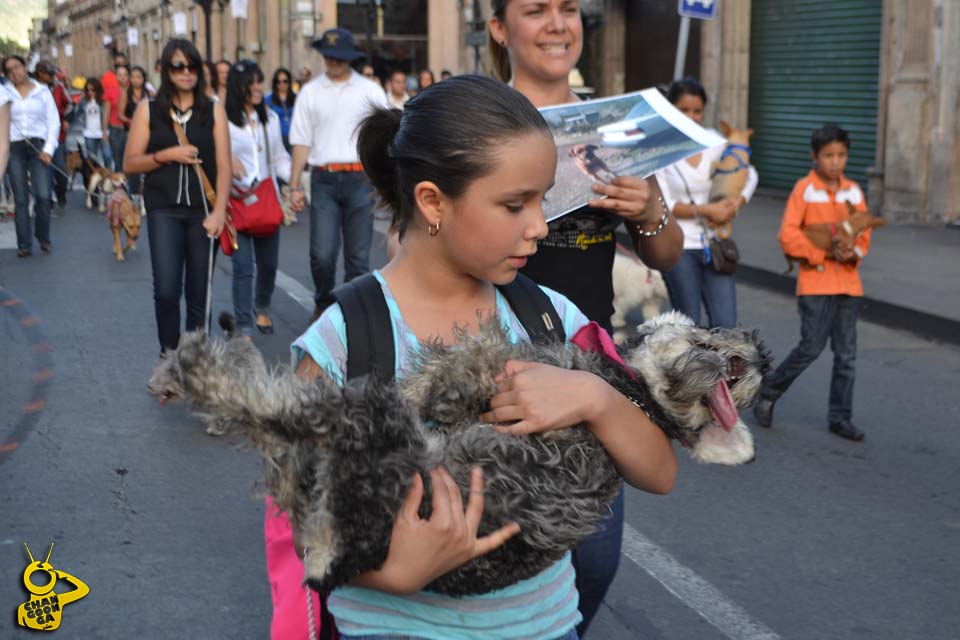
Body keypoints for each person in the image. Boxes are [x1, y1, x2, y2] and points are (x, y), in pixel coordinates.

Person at [281, 73, 676, 640]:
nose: (540, 226)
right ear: (433, 202)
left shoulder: (551, 317)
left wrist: (595, 397)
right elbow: (301, 525)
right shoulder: (346, 340)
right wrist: (393, 574)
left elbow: (659, 473)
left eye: (542, 200)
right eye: (515, 205)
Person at [487, 0, 683, 633]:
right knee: (505, 553)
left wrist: (647, 206)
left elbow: (665, 250)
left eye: (568, 9)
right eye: (535, 9)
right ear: (500, 29)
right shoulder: (481, 123)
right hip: (496, 366)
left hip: (593, 369)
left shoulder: (615, 127)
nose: (556, 24)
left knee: (594, 560)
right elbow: (411, 244)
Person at [753, 124, 871, 442]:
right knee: (810, 348)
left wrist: (852, 252)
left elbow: (864, 232)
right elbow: (788, 235)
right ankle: (768, 391)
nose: (836, 161)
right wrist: (820, 255)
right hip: (816, 284)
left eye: (841, 155)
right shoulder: (803, 189)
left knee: (847, 356)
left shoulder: (854, 192)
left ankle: (840, 417)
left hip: (848, 285)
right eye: (828, 155)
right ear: (815, 156)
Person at [123, 38, 230, 362]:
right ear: (166, 70)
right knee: (167, 289)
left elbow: (224, 167)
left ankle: (195, 364)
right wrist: (167, 155)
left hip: (203, 212)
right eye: (178, 66)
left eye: (192, 66)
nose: (186, 73)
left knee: (199, 294)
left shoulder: (213, 109)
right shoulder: (148, 110)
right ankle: (169, 357)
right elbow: (130, 163)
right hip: (164, 209)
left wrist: (219, 212)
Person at [287, 28, 389, 320]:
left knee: (358, 259)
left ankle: (352, 316)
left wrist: (384, 179)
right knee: (322, 254)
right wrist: (294, 186)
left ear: (349, 59)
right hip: (324, 179)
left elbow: (383, 137)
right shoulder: (310, 92)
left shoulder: (369, 91)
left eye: (338, 57)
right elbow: (301, 142)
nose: (332, 61)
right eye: (328, 56)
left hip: (360, 179)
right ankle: (323, 301)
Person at [655, 77, 758, 329]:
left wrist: (735, 204)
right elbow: (666, 204)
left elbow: (749, 173)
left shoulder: (714, 141)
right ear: (671, 109)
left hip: (715, 244)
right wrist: (708, 210)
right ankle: (689, 370)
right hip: (678, 246)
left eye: (697, 111)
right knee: (688, 324)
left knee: (726, 324)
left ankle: (721, 369)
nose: (691, 117)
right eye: (684, 110)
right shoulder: (660, 149)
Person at [225, 60, 291, 338]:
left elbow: (278, 159)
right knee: (242, 267)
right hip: (234, 202)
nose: (257, 88)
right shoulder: (224, 120)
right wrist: (227, 160)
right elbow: (211, 152)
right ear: (237, 87)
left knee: (268, 264)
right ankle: (243, 325)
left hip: (266, 201)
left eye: (259, 81)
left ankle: (261, 305)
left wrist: (295, 184)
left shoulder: (271, 119)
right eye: (251, 83)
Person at [2, 54, 60, 257]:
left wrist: (49, 150)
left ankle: (43, 236)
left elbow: (54, 122)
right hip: (14, 146)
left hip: (38, 146)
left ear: (25, 66)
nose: (14, 72)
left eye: (17, 67)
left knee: (43, 195)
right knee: (20, 198)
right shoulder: (4, 93)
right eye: (9, 70)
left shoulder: (42, 91)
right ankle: (24, 244)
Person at [34, 61, 72, 208]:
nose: (52, 76)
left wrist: (66, 119)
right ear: (40, 74)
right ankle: (47, 199)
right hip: (39, 136)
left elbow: (69, 104)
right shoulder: (32, 89)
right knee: (45, 170)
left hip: (58, 135)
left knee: (61, 168)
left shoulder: (59, 87)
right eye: (49, 74)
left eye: (52, 73)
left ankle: (61, 192)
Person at [118, 66, 154, 202]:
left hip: (148, 134)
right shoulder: (125, 94)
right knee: (134, 164)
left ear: (143, 78)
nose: (135, 80)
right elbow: (120, 115)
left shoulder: (149, 94)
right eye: (132, 77)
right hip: (131, 133)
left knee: (148, 164)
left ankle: (147, 193)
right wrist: (131, 121)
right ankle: (134, 195)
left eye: (138, 77)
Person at [77, 78, 112, 169]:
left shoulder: (103, 102)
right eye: (87, 90)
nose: (90, 92)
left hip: (102, 133)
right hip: (89, 134)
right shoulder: (83, 102)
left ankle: (108, 175)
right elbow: (77, 114)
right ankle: (95, 178)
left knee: (107, 156)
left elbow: (107, 117)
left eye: (92, 90)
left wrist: (105, 131)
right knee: (92, 160)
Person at [104, 64, 130, 171]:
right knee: (118, 161)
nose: (122, 77)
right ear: (116, 76)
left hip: (130, 130)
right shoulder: (110, 92)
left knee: (130, 160)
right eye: (119, 75)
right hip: (116, 130)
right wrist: (104, 131)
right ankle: (120, 185)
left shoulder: (133, 92)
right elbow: (106, 112)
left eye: (125, 75)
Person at [265, 67, 296, 151]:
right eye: (278, 82)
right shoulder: (268, 100)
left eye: (285, 81)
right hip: (277, 139)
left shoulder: (297, 98)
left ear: (289, 82)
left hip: (294, 138)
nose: (282, 84)